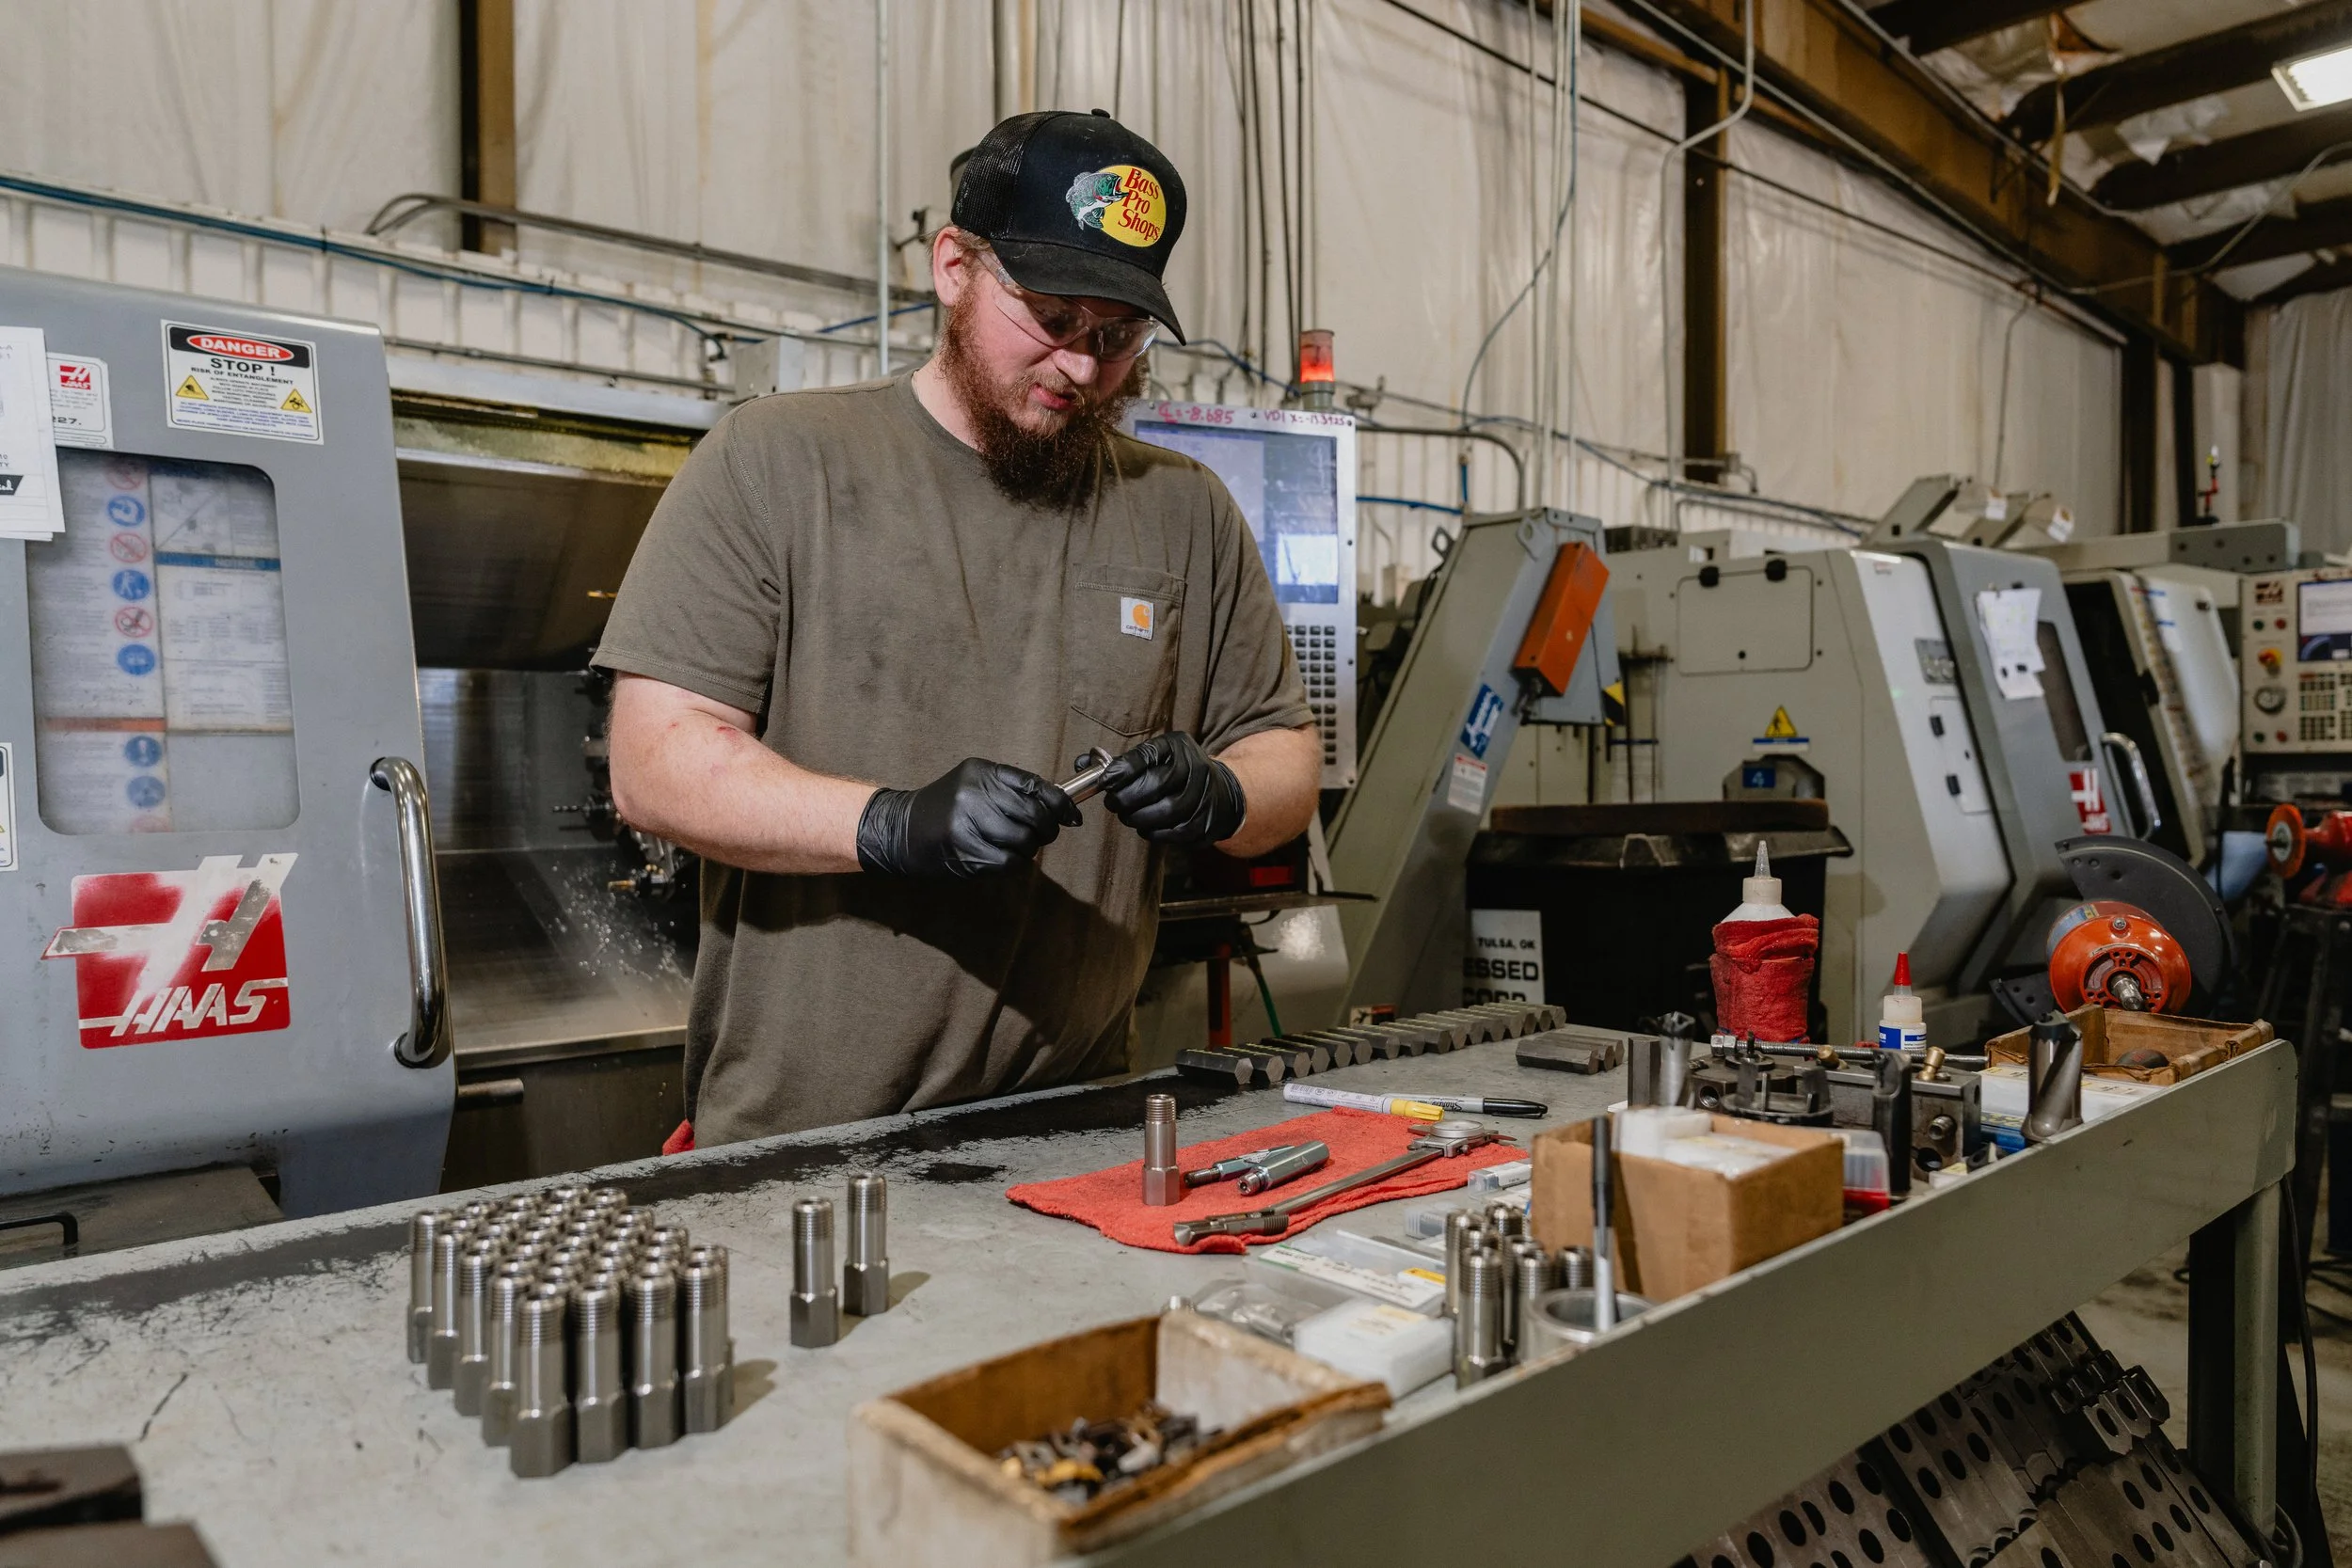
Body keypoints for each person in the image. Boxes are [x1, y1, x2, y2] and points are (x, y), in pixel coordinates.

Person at [595, 109, 1321, 1148]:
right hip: (801, 1143)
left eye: (1117, 336)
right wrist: (886, 823)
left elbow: (1285, 753)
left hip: (1075, 1131)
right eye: (1052, 318)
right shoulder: (777, 462)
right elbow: (654, 764)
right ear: (953, 267)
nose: (1082, 365)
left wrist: (1225, 793)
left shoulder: (1184, 511)